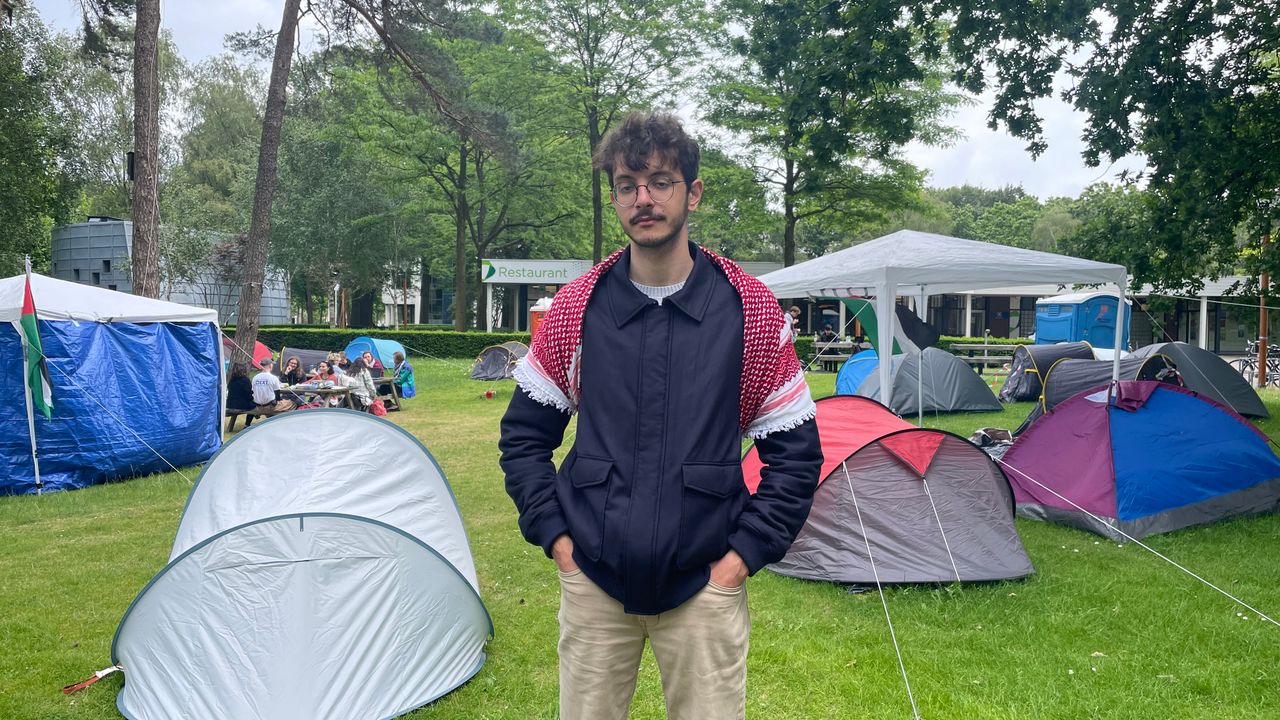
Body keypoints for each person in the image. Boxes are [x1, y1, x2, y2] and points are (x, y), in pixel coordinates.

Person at [499, 111, 823, 720]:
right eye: (627, 184)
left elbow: (796, 457)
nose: (643, 198)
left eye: (660, 181)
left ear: (692, 192)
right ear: (615, 195)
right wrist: (559, 540)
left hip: (705, 585)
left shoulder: (749, 311)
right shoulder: (576, 308)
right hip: (592, 578)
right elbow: (523, 439)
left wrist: (741, 559)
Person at [226, 363, 258, 427]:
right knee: (254, 406)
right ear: (244, 370)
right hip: (241, 405)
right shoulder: (245, 380)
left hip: (230, 404)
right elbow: (249, 395)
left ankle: (256, 415)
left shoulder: (232, 380)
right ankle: (247, 424)